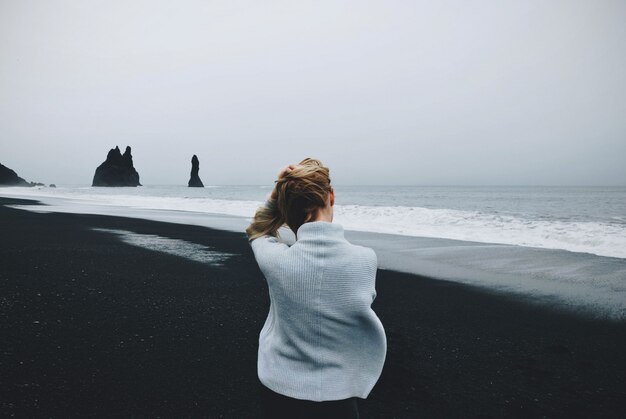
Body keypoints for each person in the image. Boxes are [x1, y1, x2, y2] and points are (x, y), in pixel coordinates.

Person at [246, 158, 387, 419]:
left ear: (288, 206)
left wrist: (278, 192)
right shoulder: (365, 259)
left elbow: (257, 229)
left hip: (279, 389)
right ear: (331, 196)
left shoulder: (276, 260)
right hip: (338, 393)